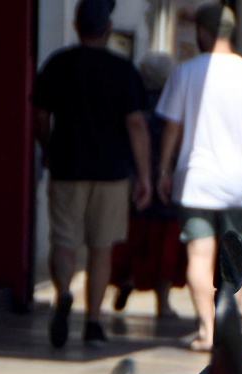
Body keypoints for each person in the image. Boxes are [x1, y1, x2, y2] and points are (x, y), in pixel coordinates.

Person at [34, 0, 153, 348]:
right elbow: (136, 124)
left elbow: (41, 116)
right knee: (101, 248)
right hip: (111, 171)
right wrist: (144, 174)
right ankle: (94, 321)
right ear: (108, 29)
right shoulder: (122, 70)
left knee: (64, 240)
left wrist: (48, 148)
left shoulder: (57, 64)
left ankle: (63, 294)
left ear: (75, 24)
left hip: (66, 166)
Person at [157, 3, 242, 352]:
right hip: (238, 182)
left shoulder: (186, 72)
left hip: (195, 181)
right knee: (234, 259)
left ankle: (208, 330)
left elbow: (171, 127)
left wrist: (163, 170)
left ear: (204, 33)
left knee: (199, 256)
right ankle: (229, 324)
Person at [112, 52, 186, 323]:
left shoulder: (136, 102)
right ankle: (163, 304)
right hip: (167, 184)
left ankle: (127, 280)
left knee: (136, 238)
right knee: (166, 245)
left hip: (137, 182)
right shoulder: (174, 106)